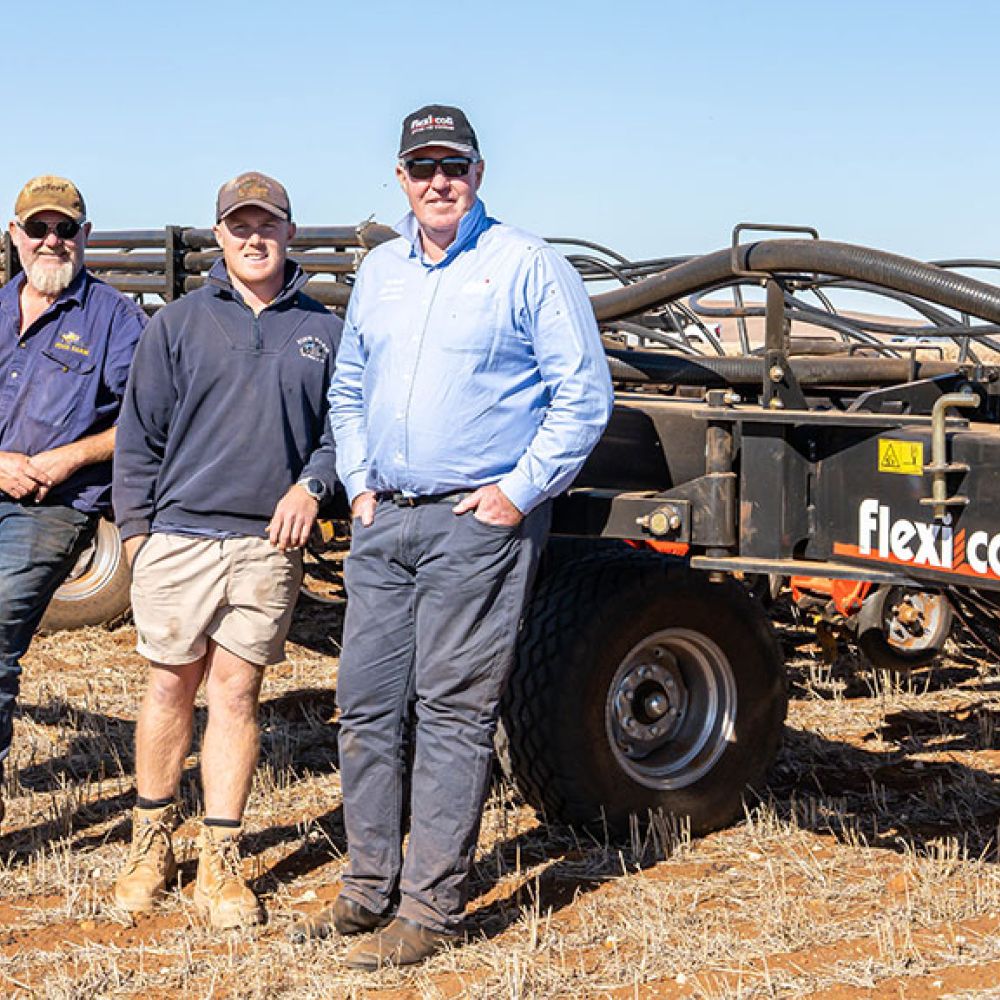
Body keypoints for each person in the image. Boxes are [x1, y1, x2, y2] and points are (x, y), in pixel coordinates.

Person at [305, 104, 614, 967]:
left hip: (472, 526)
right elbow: (351, 383)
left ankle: (429, 909)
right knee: (366, 706)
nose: (438, 182)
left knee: (450, 713)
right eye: (422, 167)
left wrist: (517, 494)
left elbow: (582, 395)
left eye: (455, 166)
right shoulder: (380, 271)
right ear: (399, 179)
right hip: (385, 520)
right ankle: (367, 889)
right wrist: (360, 482)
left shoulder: (525, 266)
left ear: (479, 174)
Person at [111, 172, 342, 929]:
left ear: (290, 232)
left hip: (265, 546)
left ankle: (220, 857)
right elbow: (137, 440)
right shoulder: (176, 325)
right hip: (178, 539)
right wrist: (141, 537)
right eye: (238, 225)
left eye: (266, 224)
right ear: (218, 236)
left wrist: (312, 485)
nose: (253, 237)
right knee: (170, 688)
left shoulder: (322, 330)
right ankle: (151, 843)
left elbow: (343, 435)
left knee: (237, 695)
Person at [0, 176, 146, 827]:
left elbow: (146, 419)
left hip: (51, 508)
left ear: (85, 238)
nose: (51, 240)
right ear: (16, 236)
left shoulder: (114, 319)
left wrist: (68, 457)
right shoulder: (0, 308)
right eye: (39, 228)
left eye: (65, 229)